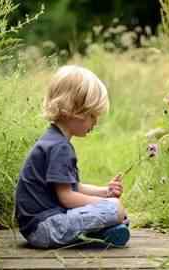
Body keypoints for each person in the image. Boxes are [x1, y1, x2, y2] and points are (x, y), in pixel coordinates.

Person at [14, 65, 130, 249]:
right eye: (92, 115)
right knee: (114, 209)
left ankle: (105, 233)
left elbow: (72, 187)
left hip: (37, 227)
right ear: (74, 110)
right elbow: (67, 198)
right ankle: (101, 230)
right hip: (45, 228)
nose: (96, 122)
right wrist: (109, 203)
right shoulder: (60, 147)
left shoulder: (53, 140)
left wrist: (105, 191)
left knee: (115, 212)